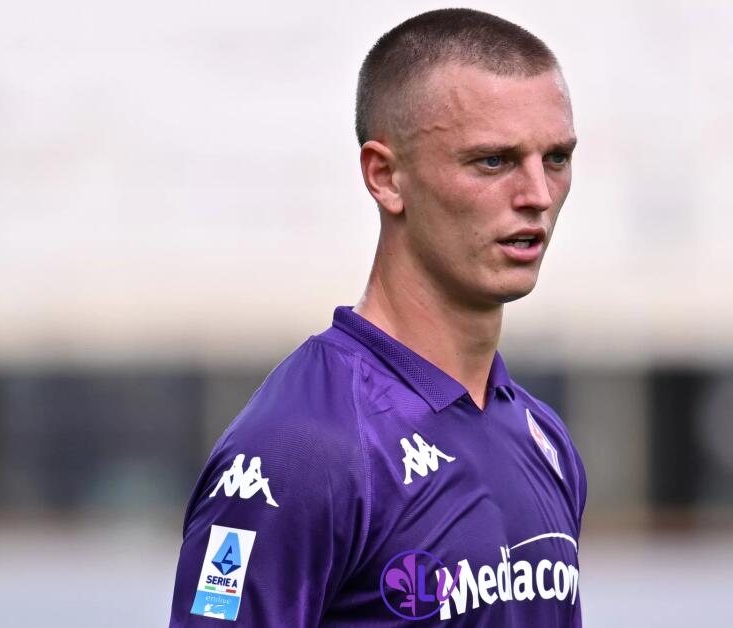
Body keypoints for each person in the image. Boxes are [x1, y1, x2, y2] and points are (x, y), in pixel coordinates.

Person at [169, 8, 585, 626]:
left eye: (555, 158)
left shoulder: (543, 438)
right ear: (385, 177)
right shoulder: (304, 449)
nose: (538, 195)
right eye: (493, 161)